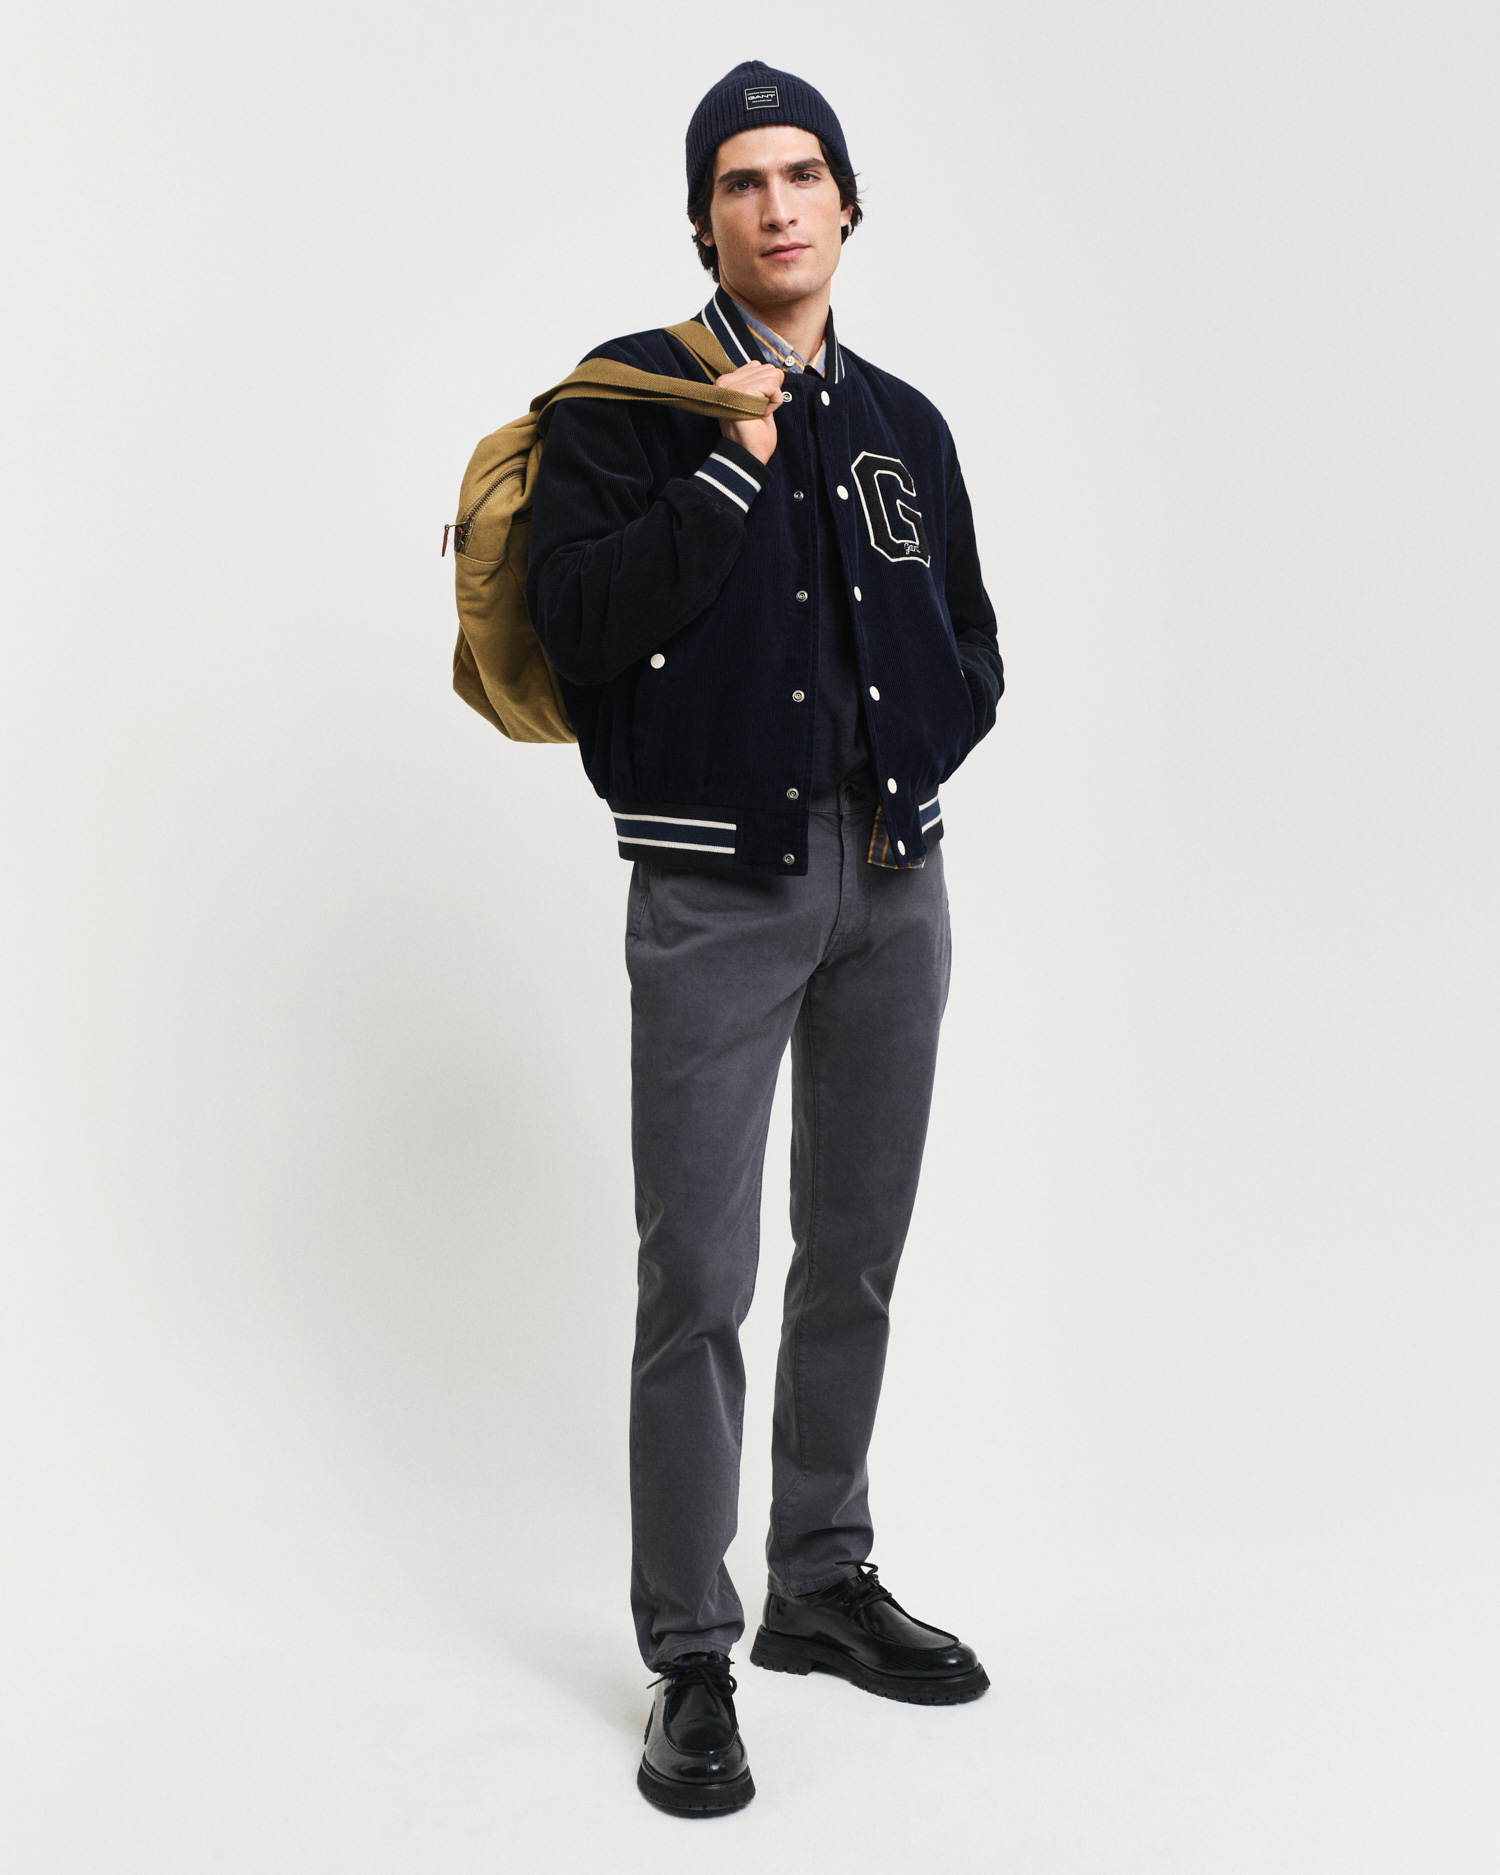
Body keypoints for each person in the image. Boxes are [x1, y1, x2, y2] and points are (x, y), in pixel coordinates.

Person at [526, 59, 1004, 1816]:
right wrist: (727, 470)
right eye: (742, 181)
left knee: (856, 1251)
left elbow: (973, 639)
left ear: (848, 203)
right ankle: (690, 1654)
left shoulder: (904, 425)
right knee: (700, 1281)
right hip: (714, 895)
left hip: (895, 884)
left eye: (803, 173)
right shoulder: (627, 405)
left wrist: (912, 760)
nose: (777, 204)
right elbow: (578, 626)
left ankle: (820, 1578)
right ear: (704, 220)